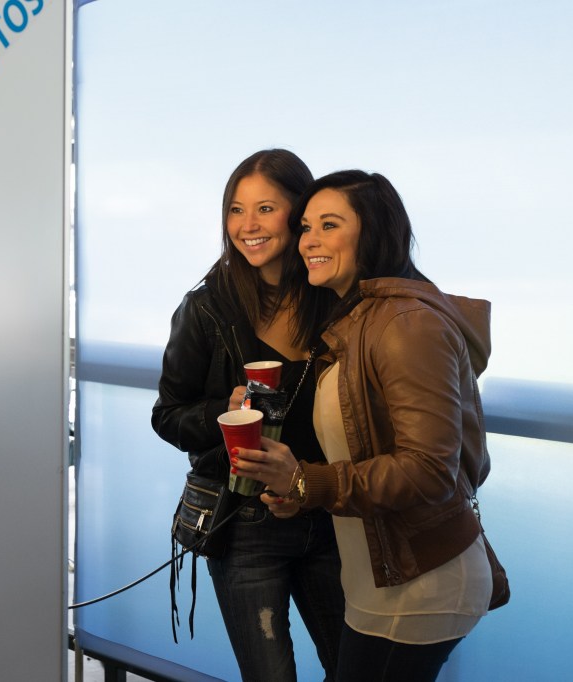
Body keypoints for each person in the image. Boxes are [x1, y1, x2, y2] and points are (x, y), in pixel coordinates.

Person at [232, 170, 494, 681]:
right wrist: (300, 490)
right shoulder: (359, 318)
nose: (310, 241)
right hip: (382, 579)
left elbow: (429, 471)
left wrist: (308, 481)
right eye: (307, 226)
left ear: (373, 233)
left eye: (329, 225)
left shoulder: (405, 324)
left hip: (419, 583)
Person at [151, 149, 344, 682]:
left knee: (357, 670)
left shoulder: (335, 301)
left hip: (330, 514)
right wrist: (225, 411)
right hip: (244, 524)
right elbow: (167, 415)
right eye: (236, 210)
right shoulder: (207, 309)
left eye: (265, 208)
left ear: (298, 214)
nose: (247, 226)